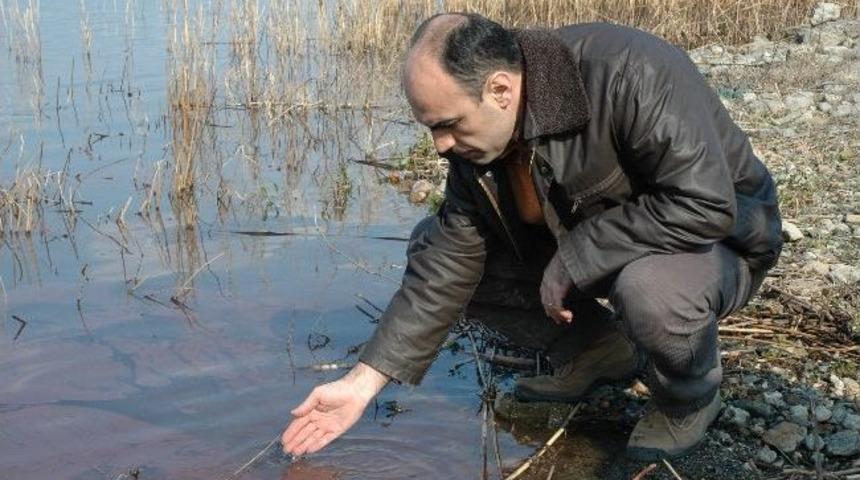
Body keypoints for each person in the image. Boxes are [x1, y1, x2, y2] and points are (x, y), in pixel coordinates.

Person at [282, 12, 782, 460]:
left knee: (647, 290)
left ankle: (689, 398)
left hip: (717, 243)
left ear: (500, 89)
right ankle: (598, 349)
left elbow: (706, 204)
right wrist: (361, 383)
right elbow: (449, 263)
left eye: (449, 125)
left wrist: (579, 256)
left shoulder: (628, 70)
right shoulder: (474, 147)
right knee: (428, 243)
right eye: (430, 128)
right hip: (602, 244)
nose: (440, 146)